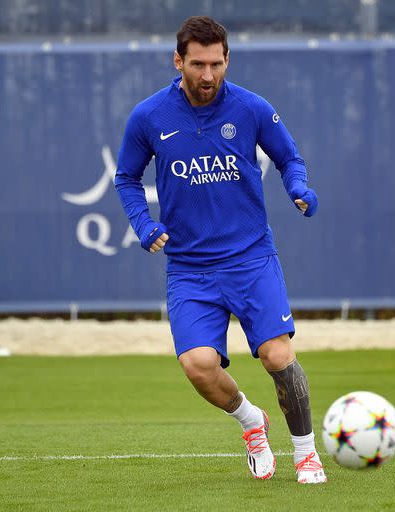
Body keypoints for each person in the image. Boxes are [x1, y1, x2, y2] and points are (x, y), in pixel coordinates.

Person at [114, 15, 326, 484]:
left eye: (216, 64)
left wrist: (299, 187)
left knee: (276, 355)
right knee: (198, 365)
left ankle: (307, 453)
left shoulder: (250, 108)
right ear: (178, 61)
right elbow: (126, 177)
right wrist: (143, 224)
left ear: (227, 59)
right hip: (189, 267)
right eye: (197, 64)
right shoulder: (149, 116)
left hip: (251, 258)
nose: (207, 75)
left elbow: (289, 157)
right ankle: (252, 423)